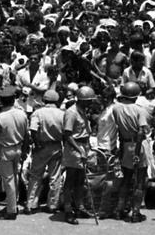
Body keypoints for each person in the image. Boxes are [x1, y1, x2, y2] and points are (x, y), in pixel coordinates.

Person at [111, 81, 150, 222]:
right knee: (140, 181)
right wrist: (137, 153)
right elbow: (141, 132)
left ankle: (119, 210)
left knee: (126, 179)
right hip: (137, 145)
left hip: (125, 144)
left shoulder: (116, 108)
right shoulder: (139, 110)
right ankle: (136, 212)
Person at [0, 85, 28, 220]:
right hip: (18, 148)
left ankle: (11, 211)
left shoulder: (0, 118)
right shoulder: (22, 114)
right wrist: (24, 151)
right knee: (14, 179)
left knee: (8, 181)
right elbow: (27, 135)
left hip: (5, 150)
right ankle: (13, 205)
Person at [25, 87, 64, 215]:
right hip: (56, 146)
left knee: (35, 176)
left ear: (44, 100)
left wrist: (37, 144)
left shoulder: (38, 113)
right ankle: (52, 205)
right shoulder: (62, 114)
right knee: (55, 177)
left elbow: (33, 130)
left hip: (41, 146)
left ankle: (31, 204)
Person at [61, 85, 94, 225]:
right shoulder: (72, 112)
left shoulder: (83, 111)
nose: (91, 103)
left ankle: (79, 207)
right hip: (74, 148)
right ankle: (68, 210)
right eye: (89, 100)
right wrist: (79, 150)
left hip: (83, 146)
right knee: (70, 179)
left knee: (80, 180)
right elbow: (67, 134)